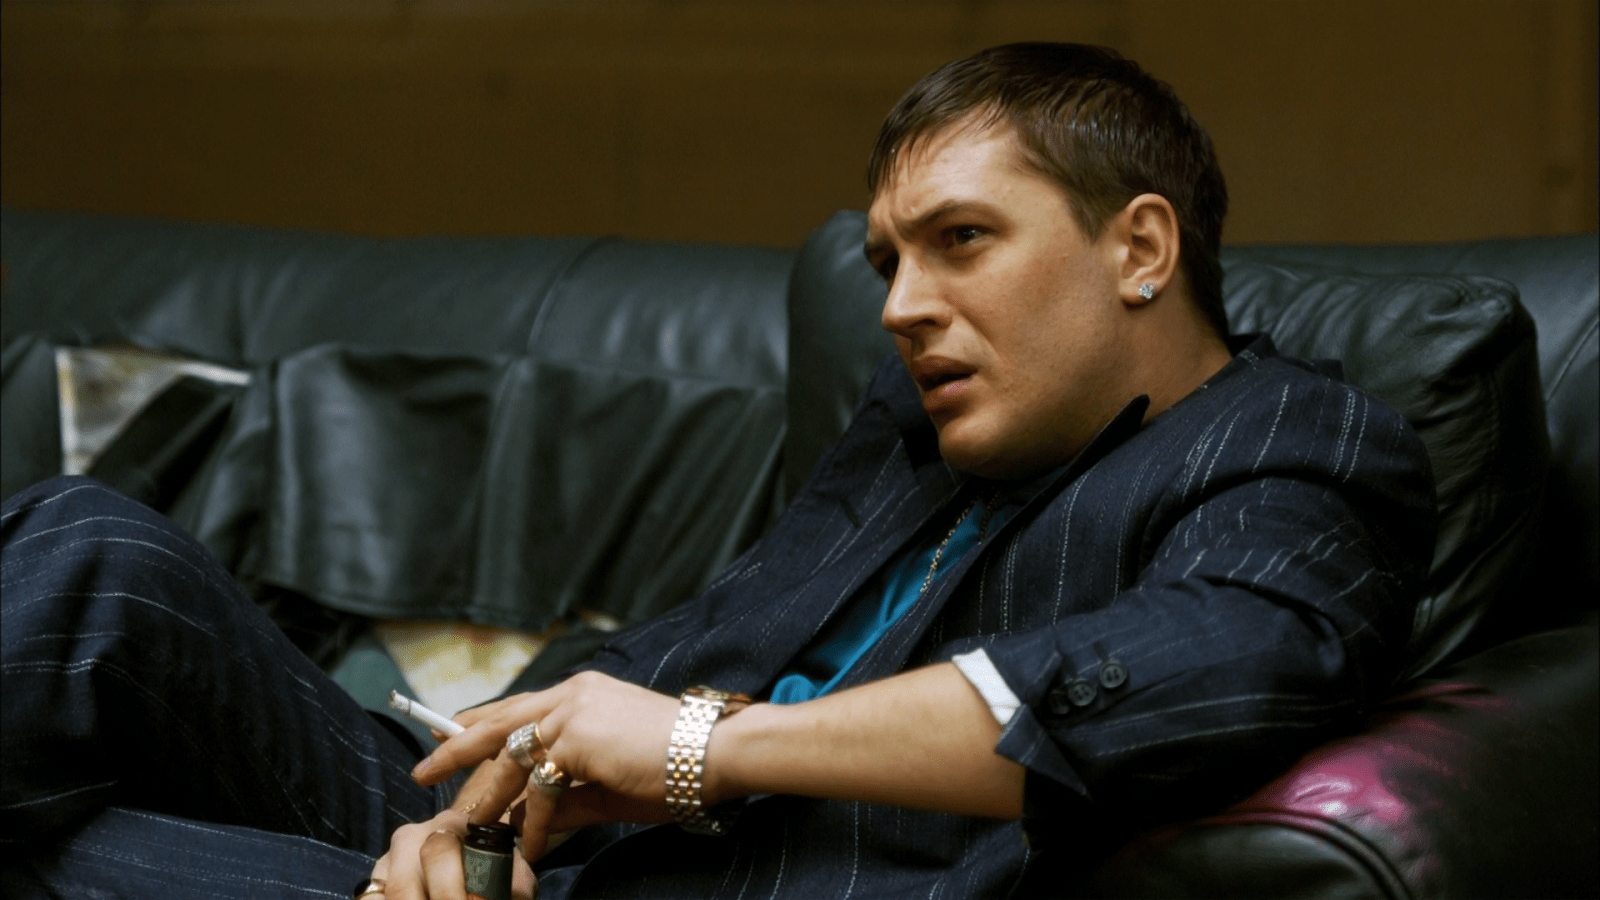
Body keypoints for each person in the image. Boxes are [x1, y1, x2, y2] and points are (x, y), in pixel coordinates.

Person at [0, 43, 1434, 899]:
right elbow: (693, 651)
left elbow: (1200, 676)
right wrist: (488, 795)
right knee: (88, 552)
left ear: (1141, 248)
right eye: (887, 261)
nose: (901, 305)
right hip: (530, 842)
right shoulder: (923, 423)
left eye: (961, 241)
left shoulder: (1287, 442)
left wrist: (700, 751)